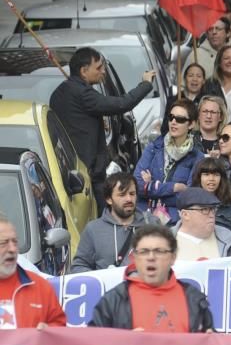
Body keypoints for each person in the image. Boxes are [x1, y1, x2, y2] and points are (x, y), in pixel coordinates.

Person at [50, 47, 155, 209]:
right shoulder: (83, 95)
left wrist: (96, 120)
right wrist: (146, 83)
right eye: (98, 67)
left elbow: (79, 120)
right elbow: (122, 104)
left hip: (71, 170)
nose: (103, 71)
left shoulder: (60, 92)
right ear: (84, 70)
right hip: (88, 175)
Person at [88, 224, 214, 332]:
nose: (151, 257)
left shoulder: (194, 299)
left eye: (159, 251)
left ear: (173, 258)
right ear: (134, 258)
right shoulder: (113, 300)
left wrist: (211, 342)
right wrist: (122, 343)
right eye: (144, 251)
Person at [134, 98, 204, 223]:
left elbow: (187, 197)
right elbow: (138, 185)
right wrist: (174, 187)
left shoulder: (196, 157)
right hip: (143, 218)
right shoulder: (154, 147)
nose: (173, 122)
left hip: (174, 223)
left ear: (192, 124)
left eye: (180, 119)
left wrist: (151, 187)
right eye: (171, 117)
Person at [70, 172, 158, 272]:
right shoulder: (93, 230)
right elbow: (78, 267)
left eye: (132, 194)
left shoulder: (152, 224)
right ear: (109, 199)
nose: (129, 199)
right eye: (122, 195)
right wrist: (101, 280)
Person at [0, 215, 66, 328]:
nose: (12, 249)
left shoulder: (40, 286)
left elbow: (60, 327)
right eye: (4, 243)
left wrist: (49, 331)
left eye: (15, 242)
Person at [173, 188, 231, 259]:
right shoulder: (165, 242)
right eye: (204, 209)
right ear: (185, 214)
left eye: (213, 209)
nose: (212, 215)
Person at [190, 158, 231, 244]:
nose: (211, 178)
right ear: (199, 177)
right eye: (206, 174)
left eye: (216, 175)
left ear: (222, 178)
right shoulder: (189, 205)